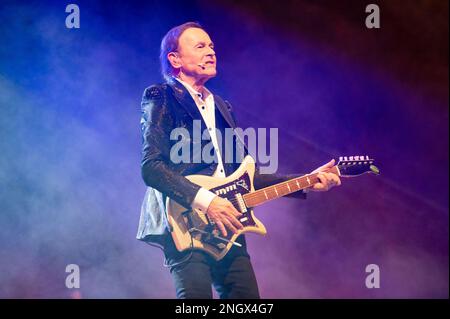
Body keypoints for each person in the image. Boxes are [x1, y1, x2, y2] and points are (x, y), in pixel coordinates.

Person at [137, 22, 341, 299]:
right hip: (185, 224)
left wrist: (307, 181)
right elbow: (152, 168)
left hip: (229, 225)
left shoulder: (222, 107)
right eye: (200, 46)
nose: (211, 52)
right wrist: (209, 203)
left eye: (212, 46)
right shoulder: (162, 96)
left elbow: (248, 177)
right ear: (175, 59)